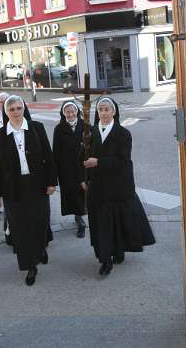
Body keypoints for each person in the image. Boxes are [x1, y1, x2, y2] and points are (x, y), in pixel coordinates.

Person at [82, 97, 155, 276]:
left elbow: (123, 161)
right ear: (97, 113)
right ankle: (105, 259)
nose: (104, 113)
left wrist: (98, 162)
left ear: (114, 112)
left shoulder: (123, 134)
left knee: (118, 221)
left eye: (107, 109)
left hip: (118, 186)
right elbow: (81, 158)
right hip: (98, 187)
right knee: (102, 223)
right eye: (101, 110)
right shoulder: (90, 133)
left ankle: (119, 250)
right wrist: (83, 178)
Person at [0, 95, 57, 286]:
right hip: (14, 189)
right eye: (11, 110)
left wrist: (51, 182)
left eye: (19, 108)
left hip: (37, 184)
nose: (16, 112)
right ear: (6, 112)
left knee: (40, 221)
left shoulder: (37, 128)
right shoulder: (0, 135)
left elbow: (49, 156)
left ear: (24, 108)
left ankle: (41, 248)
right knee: (21, 228)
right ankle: (30, 266)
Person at [53, 101, 86, 238]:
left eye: (73, 111)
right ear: (63, 113)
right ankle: (79, 219)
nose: (71, 114)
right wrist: (54, 173)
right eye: (68, 112)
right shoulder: (59, 128)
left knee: (84, 193)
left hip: (83, 166)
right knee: (72, 194)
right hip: (66, 168)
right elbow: (56, 151)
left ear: (77, 111)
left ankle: (82, 218)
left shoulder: (85, 126)